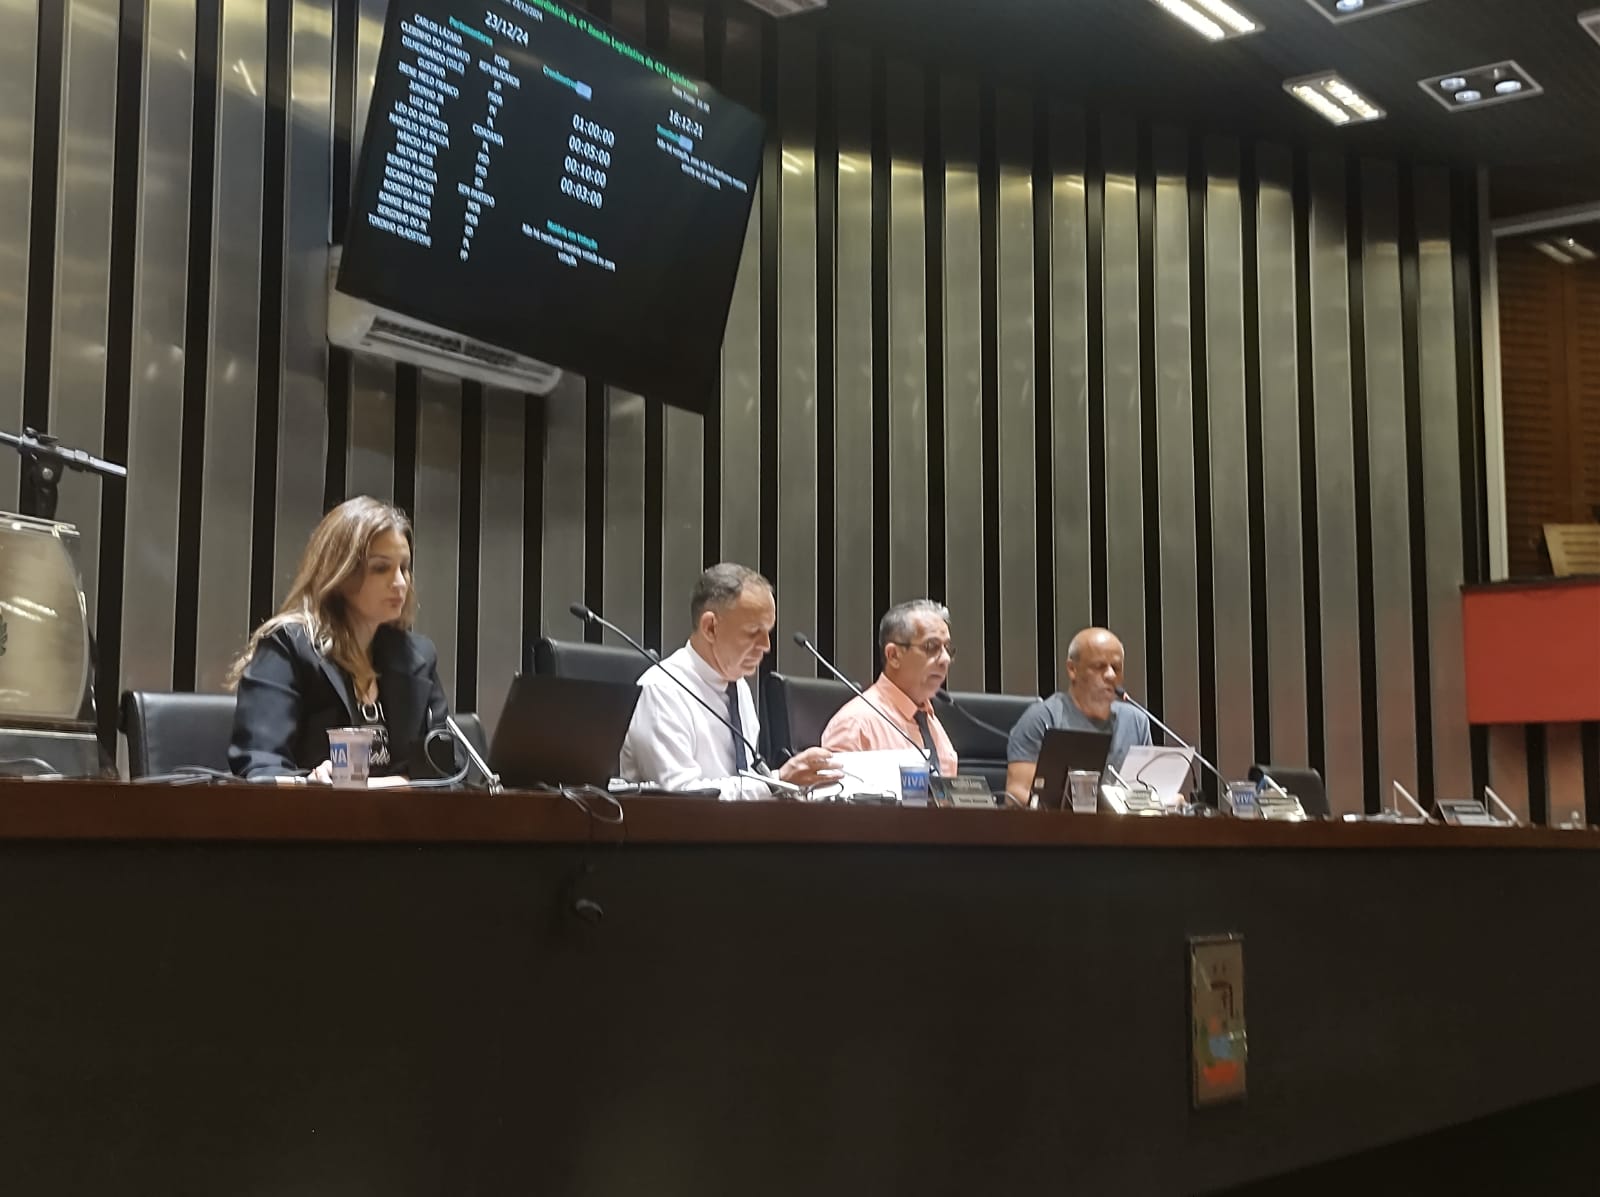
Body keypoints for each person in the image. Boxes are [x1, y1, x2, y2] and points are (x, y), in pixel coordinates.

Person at [227, 496, 456, 785]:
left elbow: (447, 770)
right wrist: (312, 781)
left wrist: (380, 786)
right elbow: (260, 765)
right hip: (313, 813)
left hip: (400, 814)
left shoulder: (417, 657)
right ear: (341, 572)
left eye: (405, 568)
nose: (400, 582)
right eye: (381, 568)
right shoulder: (288, 646)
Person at [620, 563, 836, 799]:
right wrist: (776, 782)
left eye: (768, 632)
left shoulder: (738, 686)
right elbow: (682, 797)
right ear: (710, 628)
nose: (766, 646)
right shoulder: (662, 690)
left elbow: (746, 781)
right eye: (753, 631)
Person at [1004, 626, 1152, 806]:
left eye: (1116, 668)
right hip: (1059, 822)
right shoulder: (1042, 719)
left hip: (1122, 823)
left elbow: (1147, 789)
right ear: (1072, 669)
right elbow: (1017, 792)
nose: (1110, 675)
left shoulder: (1136, 721)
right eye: (1099, 667)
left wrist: (1163, 799)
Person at [820, 599, 958, 776]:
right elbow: (835, 793)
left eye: (947, 648)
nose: (945, 659)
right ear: (893, 655)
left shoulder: (929, 720)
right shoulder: (856, 724)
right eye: (931, 646)